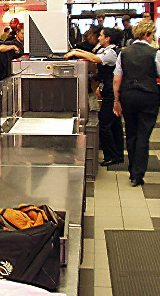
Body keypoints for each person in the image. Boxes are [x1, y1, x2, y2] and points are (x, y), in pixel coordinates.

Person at [65, 28, 124, 166]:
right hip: (108, 90)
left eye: (101, 36)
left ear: (108, 38)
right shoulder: (108, 50)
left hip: (111, 92)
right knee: (114, 124)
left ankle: (111, 156)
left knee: (105, 123)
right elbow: (92, 54)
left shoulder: (111, 53)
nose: (99, 38)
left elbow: (93, 58)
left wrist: (75, 52)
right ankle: (118, 153)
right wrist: (77, 52)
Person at [113, 19, 159, 187]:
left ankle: (132, 170)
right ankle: (138, 174)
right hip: (149, 96)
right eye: (152, 34)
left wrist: (116, 100)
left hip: (128, 95)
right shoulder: (155, 53)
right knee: (143, 135)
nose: (152, 38)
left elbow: (117, 79)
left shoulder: (123, 53)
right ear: (146, 34)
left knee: (131, 133)